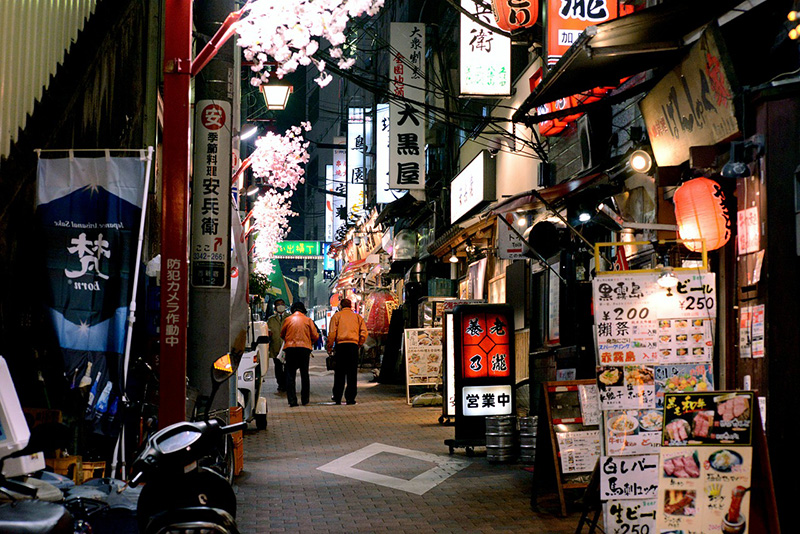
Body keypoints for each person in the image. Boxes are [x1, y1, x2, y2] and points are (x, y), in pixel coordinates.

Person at [326, 298, 368, 405]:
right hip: (353, 347)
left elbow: (332, 333)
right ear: (351, 306)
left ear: (340, 306)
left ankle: (337, 396)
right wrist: (359, 343)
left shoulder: (337, 316)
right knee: (352, 374)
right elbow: (364, 333)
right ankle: (350, 398)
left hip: (341, 347)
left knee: (339, 373)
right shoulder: (357, 317)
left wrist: (329, 346)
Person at [280, 301, 319, 407]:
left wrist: (289, 340)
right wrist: (309, 342)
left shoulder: (288, 320)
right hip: (304, 350)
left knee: (290, 375)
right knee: (304, 374)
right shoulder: (308, 320)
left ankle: (292, 400)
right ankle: (305, 399)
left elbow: (282, 334)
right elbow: (315, 335)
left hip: (290, 349)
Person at [266, 298, 290, 392]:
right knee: (278, 367)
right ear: (275, 307)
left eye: (282, 304)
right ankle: (280, 384)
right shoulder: (271, 320)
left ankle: (287, 383)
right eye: (278, 304)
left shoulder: (289, 318)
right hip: (275, 347)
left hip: (287, 347)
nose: (280, 306)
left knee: (288, 367)